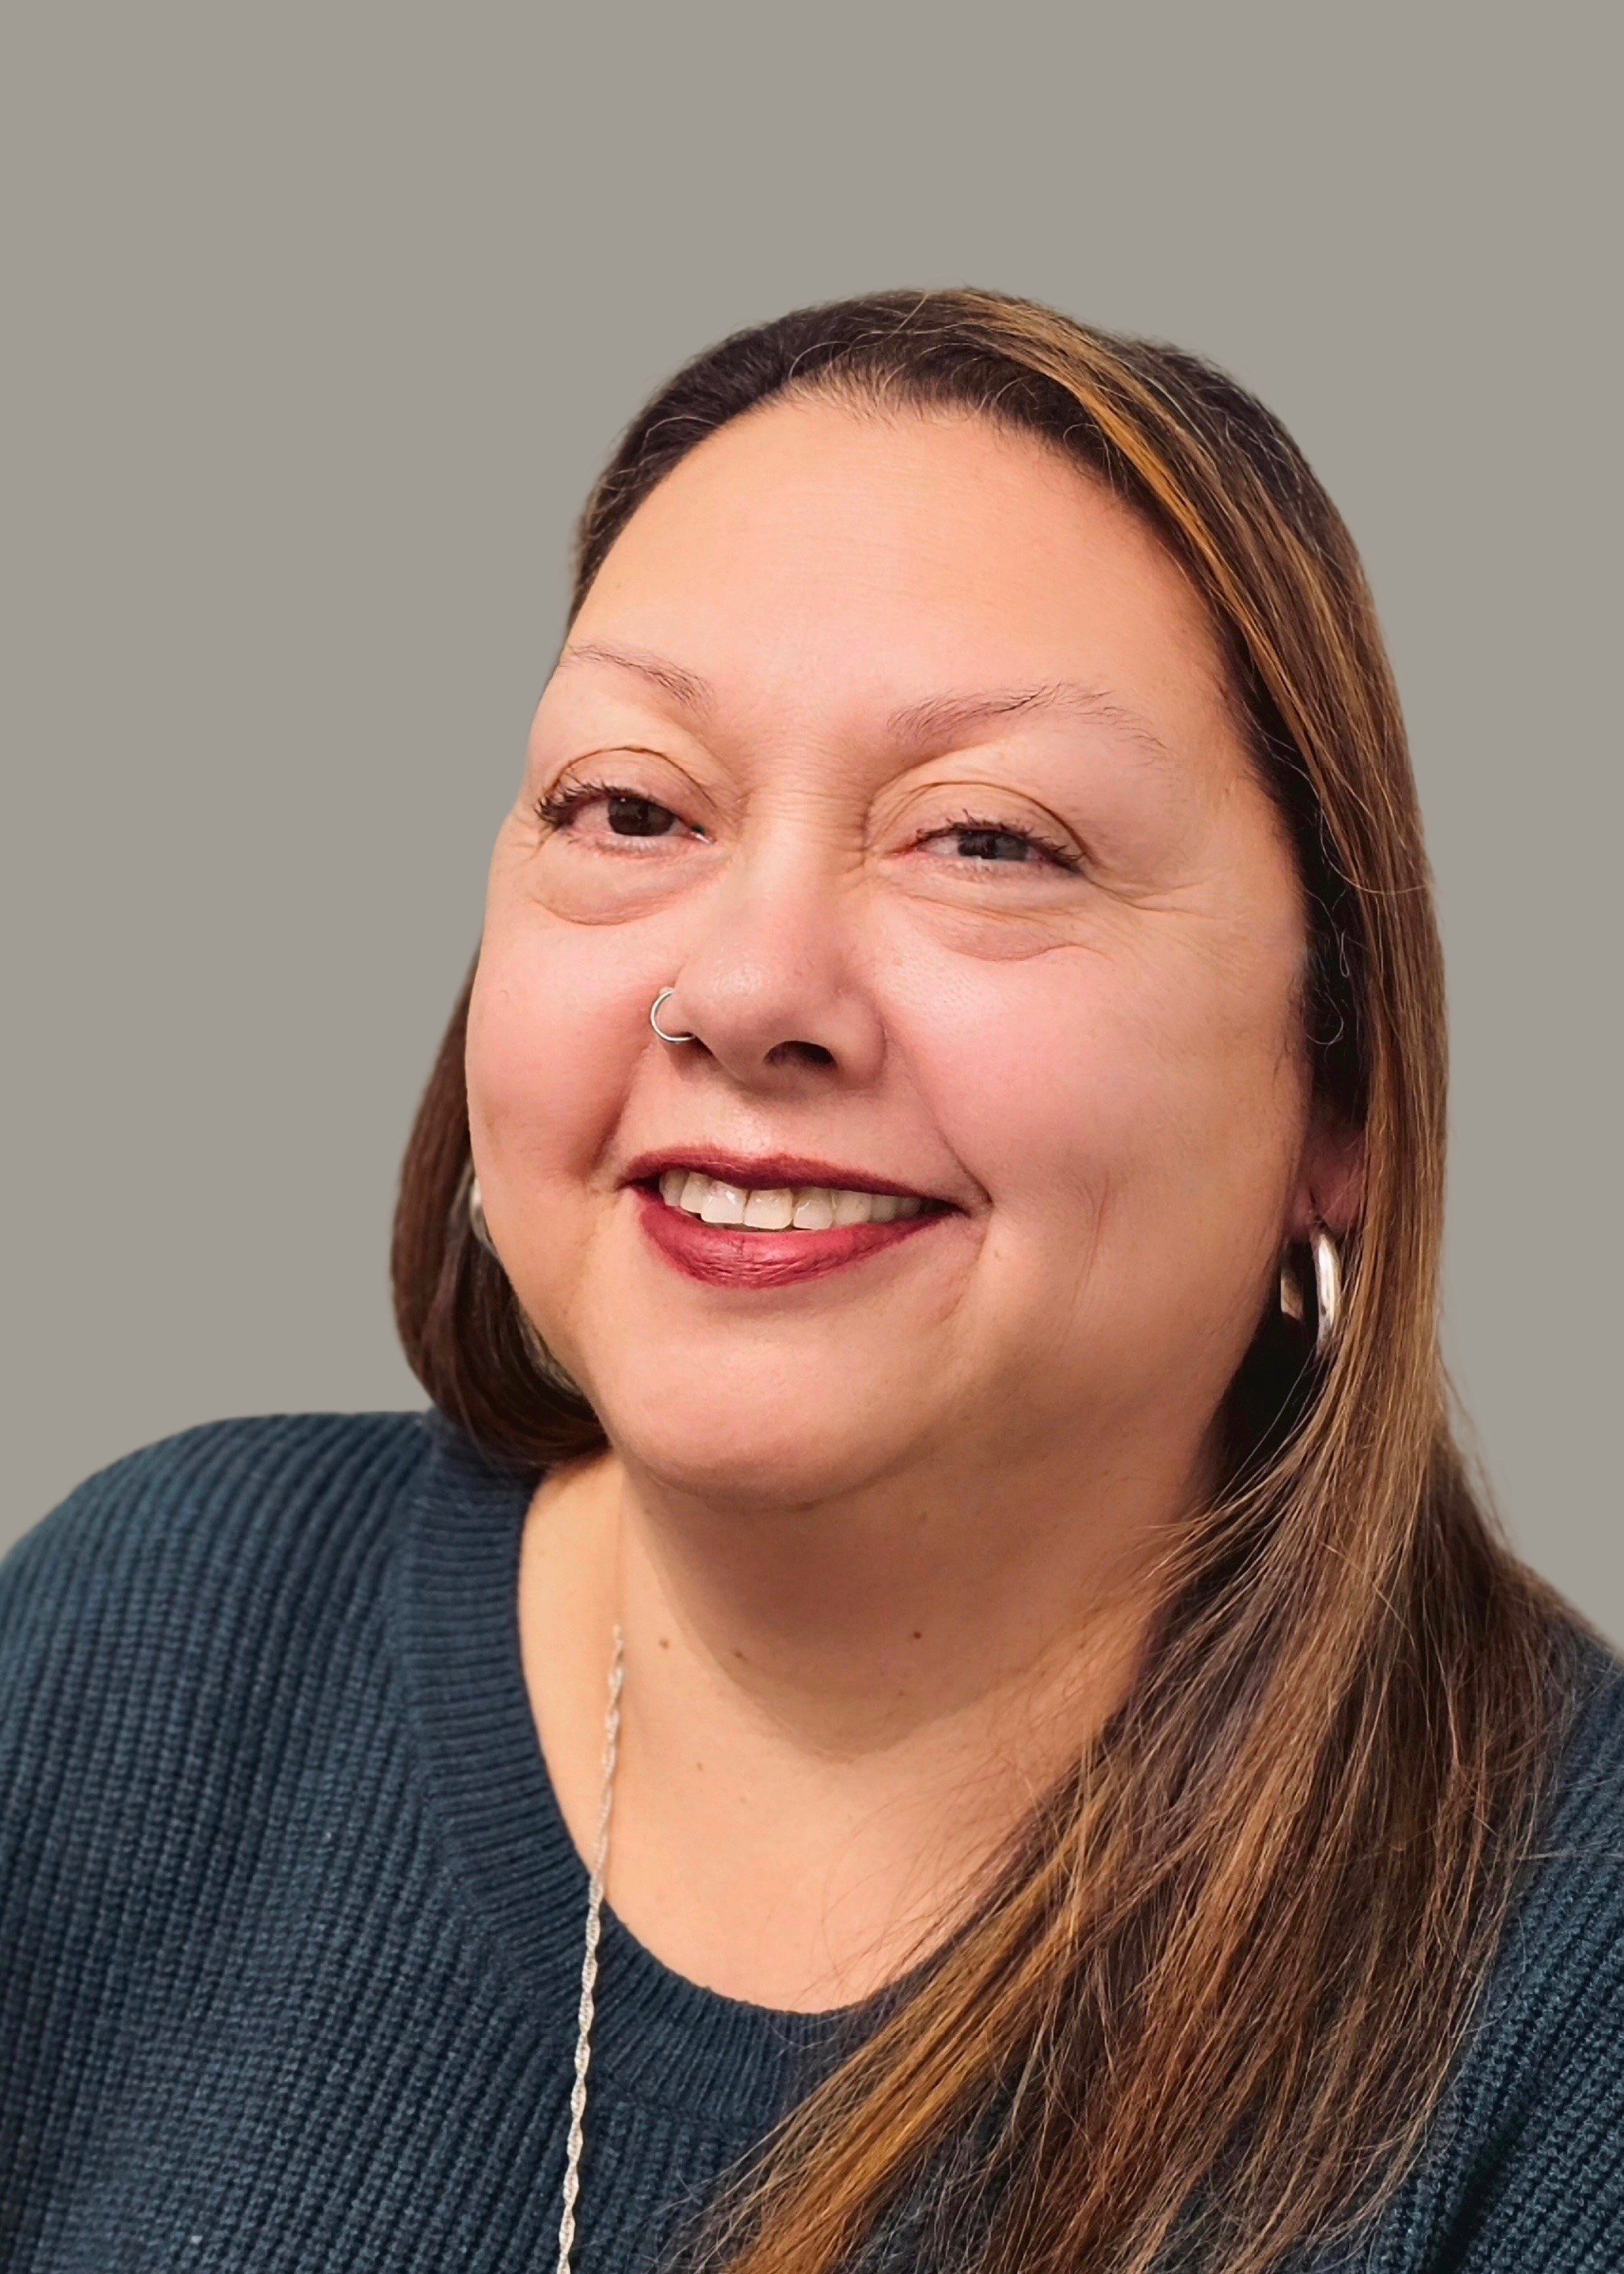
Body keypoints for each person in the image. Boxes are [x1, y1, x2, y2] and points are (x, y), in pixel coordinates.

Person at [2, 288, 1619, 2274]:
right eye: (632, 808)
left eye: (988, 842)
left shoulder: (1568, 1990)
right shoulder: (136, 1645)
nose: (749, 987)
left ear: (1336, 1085)